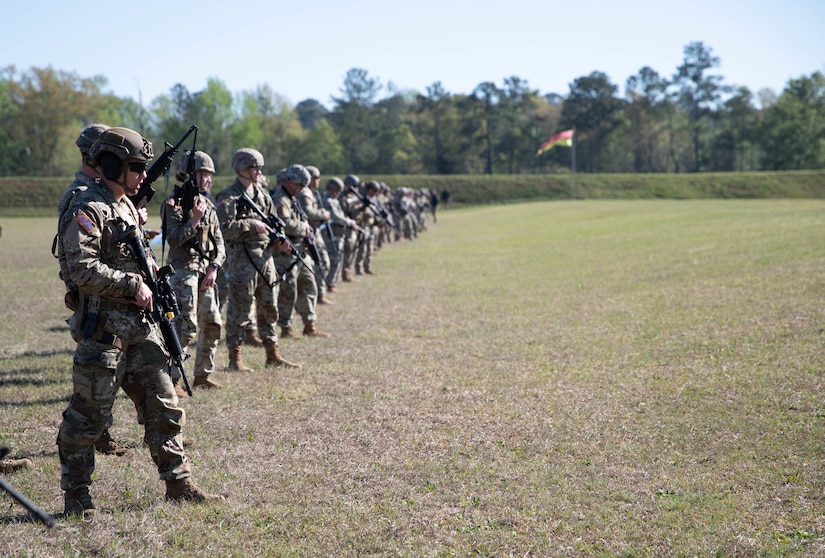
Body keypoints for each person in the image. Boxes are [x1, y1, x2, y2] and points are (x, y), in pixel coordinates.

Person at [58, 126, 222, 517]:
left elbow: (135, 255)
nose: (143, 176)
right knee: (87, 419)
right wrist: (131, 284)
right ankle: (77, 497)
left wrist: (151, 276)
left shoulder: (126, 205)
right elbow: (80, 268)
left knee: (164, 405)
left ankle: (178, 482)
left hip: (141, 330)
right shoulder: (87, 207)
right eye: (136, 167)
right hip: (104, 334)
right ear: (112, 164)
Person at [54, 123, 131, 458]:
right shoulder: (79, 196)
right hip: (95, 294)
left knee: (115, 368)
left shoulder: (108, 193)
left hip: (114, 293)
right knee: (97, 373)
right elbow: (74, 258)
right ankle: (90, 433)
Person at [215, 148, 299, 371]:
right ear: (242, 168)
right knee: (240, 311)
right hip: (242, 262)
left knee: (269, 307)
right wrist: (251, 225)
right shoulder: (228, 197)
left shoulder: (262, 196)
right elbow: (223, 229)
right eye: (254, 167)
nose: (259, 171)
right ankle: (235, 359)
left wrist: (279, 242)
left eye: (260, 168)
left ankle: (273, 354)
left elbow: (272, 225)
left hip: (266, 260)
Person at [161, 150, 226, 393]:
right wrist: (194, 220)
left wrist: (215, 267)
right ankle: (173, 379)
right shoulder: (173, 204)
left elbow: (220, 243)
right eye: (203, 174)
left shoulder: (208, 204)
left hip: (206, 273)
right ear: (189, 175)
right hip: (183, 273)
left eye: (210, 175)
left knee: (212, 323)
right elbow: (174, 240)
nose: (208, 179)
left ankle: (203, 375)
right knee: (185, 327)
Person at [273, 164, 330, 338]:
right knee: (288, 291)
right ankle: (286, 328)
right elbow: (284, 223)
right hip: (286, 252)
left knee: (309, 284)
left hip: (300, 251)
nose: (300, 190)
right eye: (298, 185)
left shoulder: (292, 198)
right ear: (290, 181)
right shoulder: (281, 199)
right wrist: (303, 228)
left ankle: (309, 324)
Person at [296, 165, 333, 305]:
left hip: (314, 232)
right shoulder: (305, 193)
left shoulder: (310, 193)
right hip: (309, 234)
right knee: (321, 262)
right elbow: (308, 212)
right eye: (316, 177)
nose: (319, 180)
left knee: (321, 263)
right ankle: (318, 295)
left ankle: (317, 294)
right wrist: (324, 214)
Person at [321, 177, 357, 291]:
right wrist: (349, 222)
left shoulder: (334, 201)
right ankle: (329, 283)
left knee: (338, 259)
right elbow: (336, 217)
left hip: (338, 234)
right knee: (333, 259)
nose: (338, 194)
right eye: (336, 191)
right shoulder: (327, 201)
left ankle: (333, 282)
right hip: (331, 235)